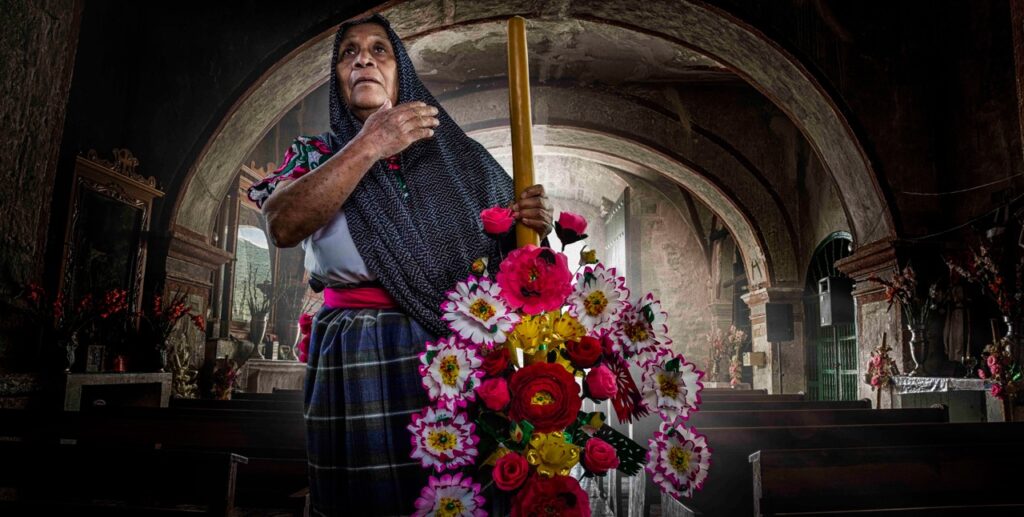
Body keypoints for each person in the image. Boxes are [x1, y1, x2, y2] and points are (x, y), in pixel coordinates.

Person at [247, 13, 553, 516]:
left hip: (452, 353)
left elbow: (512, 263)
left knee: (458, 495)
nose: (363, 58)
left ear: (401, 72)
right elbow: (282, 224)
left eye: (378, 50)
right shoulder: (315, 154)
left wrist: (534, 223)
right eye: (348, 52)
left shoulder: (461, 160)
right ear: (337, 77)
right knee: (368, 502)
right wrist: (370, 142)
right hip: (358, 352)